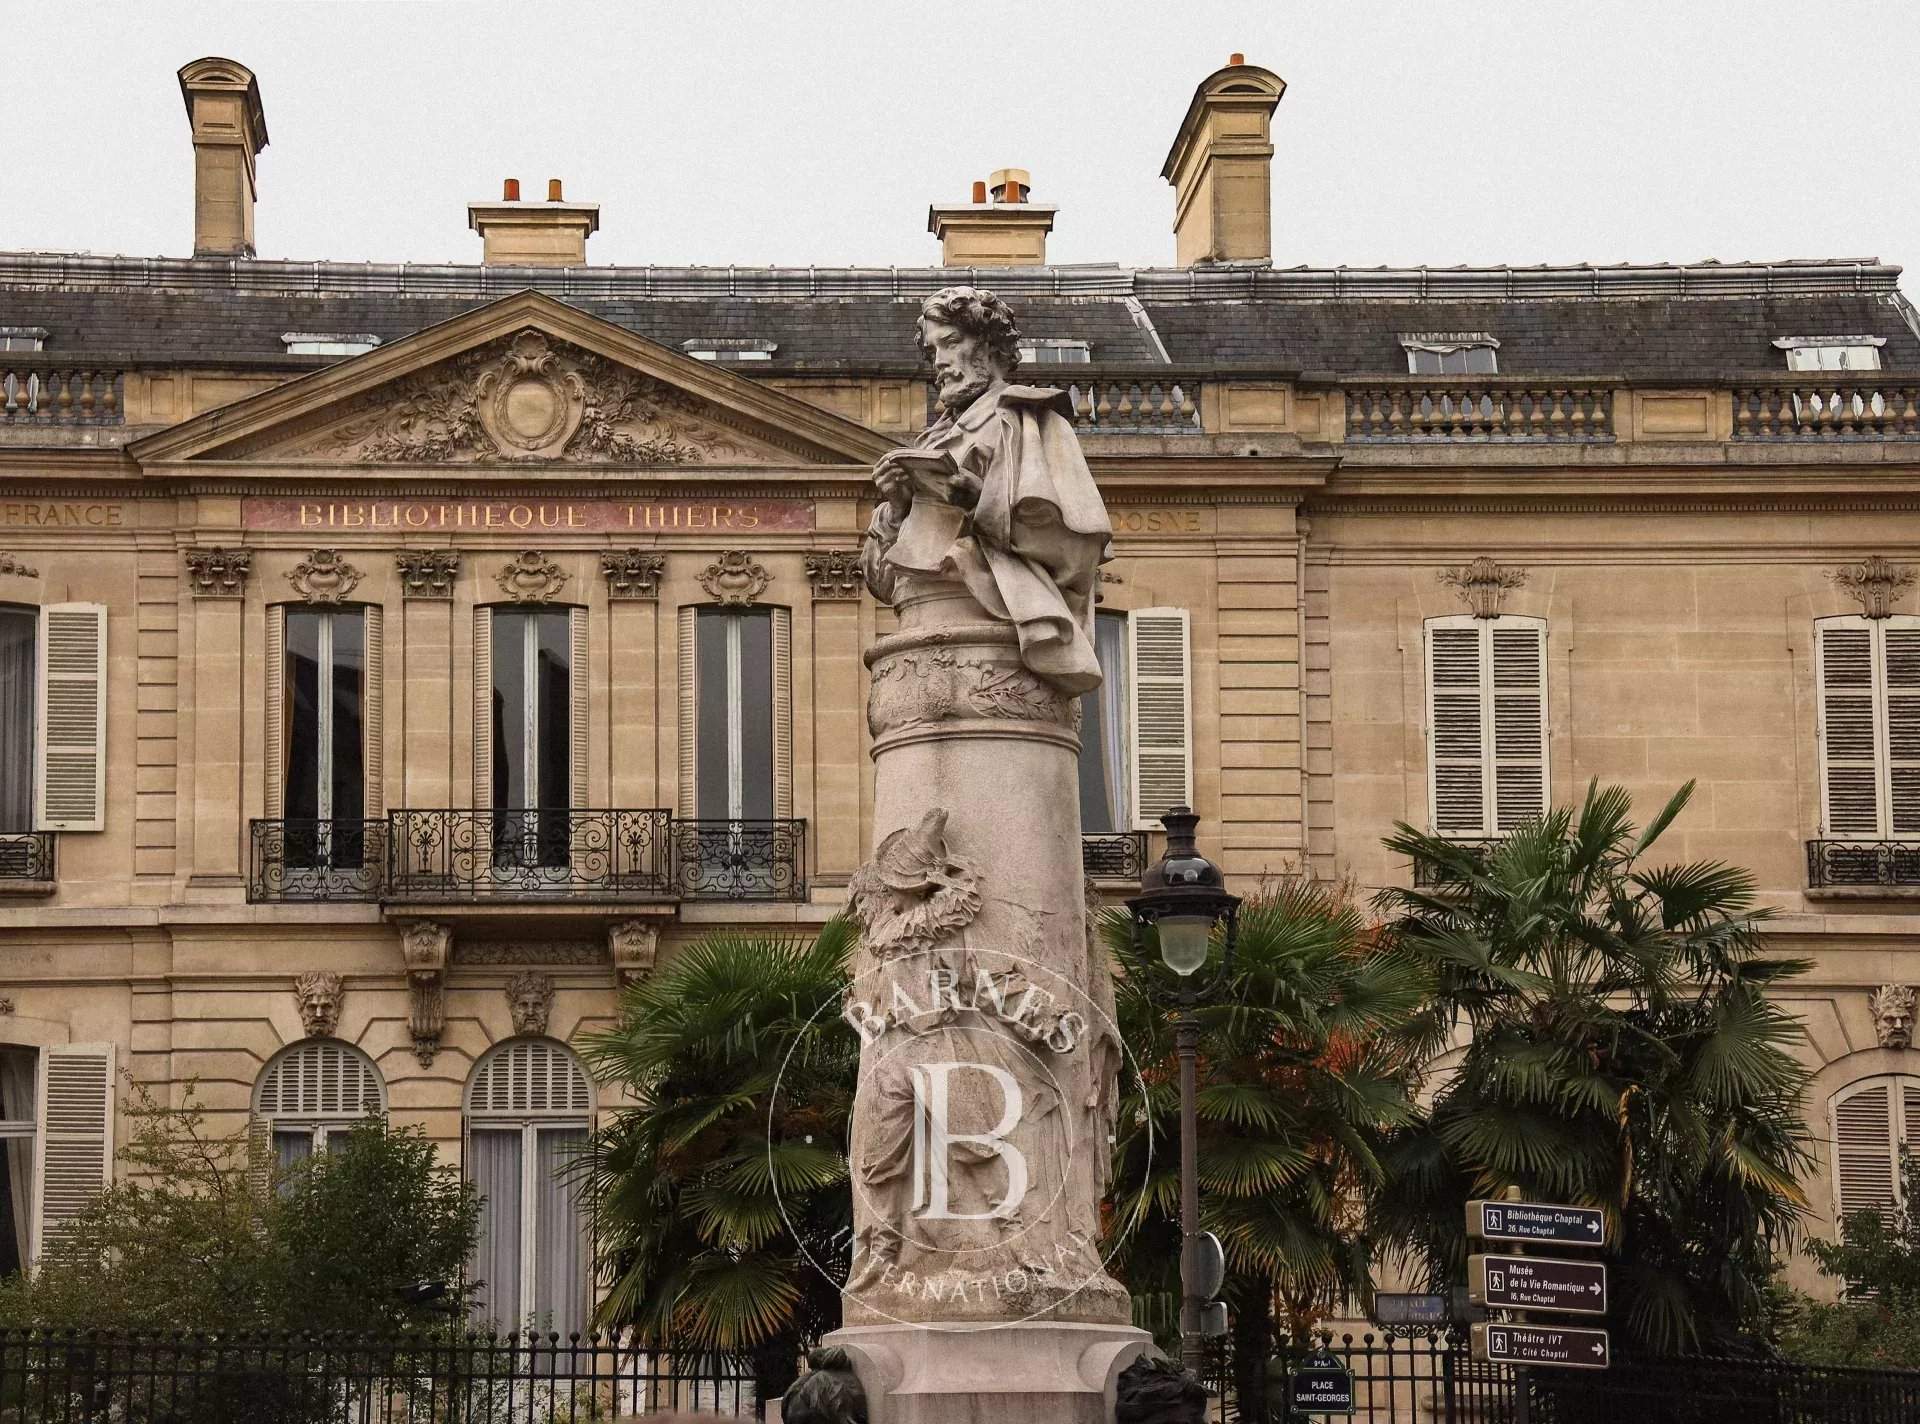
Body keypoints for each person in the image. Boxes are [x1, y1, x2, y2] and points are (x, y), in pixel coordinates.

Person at [860, 286, 1112, 695]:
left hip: (996, 648)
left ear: (990, 347)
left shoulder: (1029, 423)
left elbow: (1076, 555)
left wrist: (981, 503)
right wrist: (896, 510)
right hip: (916, 645)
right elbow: (881, 583)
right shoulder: (927, 445)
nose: (939, 362)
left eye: (952, 343)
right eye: (932, 350)